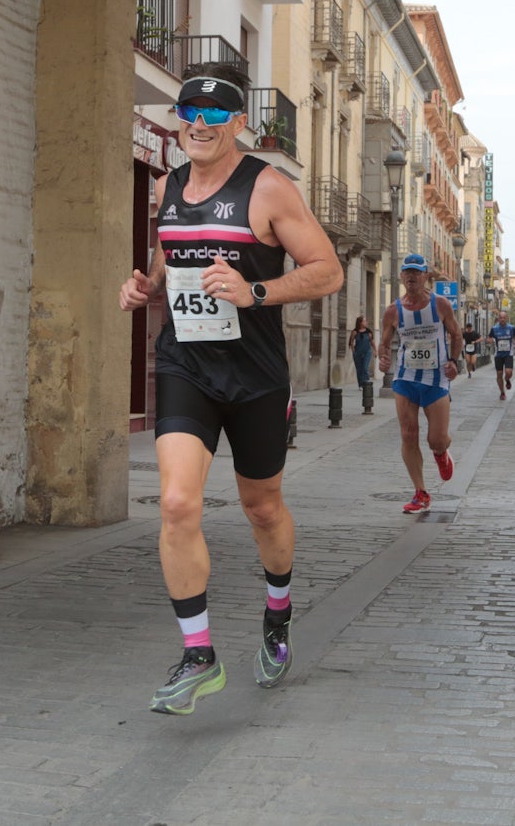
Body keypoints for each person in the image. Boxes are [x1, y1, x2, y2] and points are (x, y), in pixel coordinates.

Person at [119, 69, 343, 716]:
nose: (199, 123)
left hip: (255, 374)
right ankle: (199, 655)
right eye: (189, 111)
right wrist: (146, 286)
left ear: (238, 124)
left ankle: (278, 612)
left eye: (214, 114)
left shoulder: (268, 188)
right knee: (176, 502)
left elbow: (327, 269)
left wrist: (256, 291)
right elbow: (169, 260)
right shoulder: (167, 185)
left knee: (262, 507)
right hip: (186, 364)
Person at [377, 254, 463, 513]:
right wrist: (383, 359)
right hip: (405, 378)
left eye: (416, 272)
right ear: (401, 276)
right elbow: (384, 343)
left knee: (436, 439)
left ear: (426, 276)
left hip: (436, 379)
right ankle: (421, 493)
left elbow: (456, 334)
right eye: (407, 272)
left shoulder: (441, 305)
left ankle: (441, 452)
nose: (411, 277)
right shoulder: (393, 311)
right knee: (408, 434)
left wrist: (454, 361)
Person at [489, 311, 515, 400]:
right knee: (499, 374)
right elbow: (489, 337)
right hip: (498, 354)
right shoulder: (494, 329)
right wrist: (490, 340)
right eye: (500, 318)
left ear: (506, 318)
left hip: (509, 353)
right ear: (498, 319)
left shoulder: (511, 328)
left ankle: (507, 379)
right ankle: (502, 392)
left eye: (504, 318)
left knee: (508, 372)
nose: (502, 319)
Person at [348, 315, 375, 391]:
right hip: (358, 353)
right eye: (364, 321)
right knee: (359, 369)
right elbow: (351, 342)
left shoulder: (369, 332)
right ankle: (360, 384)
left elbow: (372, 342)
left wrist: (375, 351)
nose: (366, 322)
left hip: (367, 352)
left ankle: (367, 384)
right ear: (360, 323)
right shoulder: (355, 332)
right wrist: (353, 351)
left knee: (365, 368)